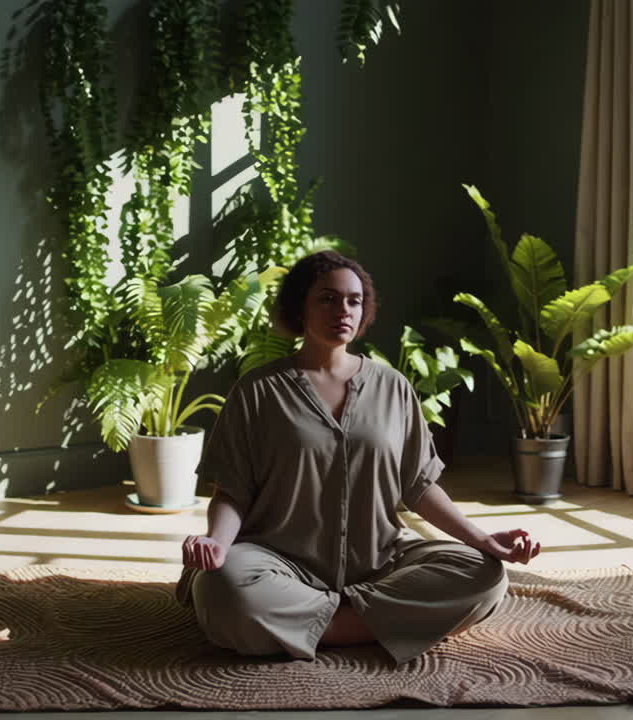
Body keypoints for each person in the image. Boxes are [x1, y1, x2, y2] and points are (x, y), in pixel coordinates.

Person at [178, 250, 542, 665]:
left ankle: (309, 628)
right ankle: (378, 625)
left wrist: (482, 539)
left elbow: (419, 486)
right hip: (279, 560)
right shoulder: (258, 391)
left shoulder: (394, 387)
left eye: (354, 300)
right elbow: (232, 491)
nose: (343, 310)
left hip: (382, 560)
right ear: (300, 306)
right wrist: (217, 544)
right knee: (221, 588)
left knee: (486, 576)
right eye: (328, 299)